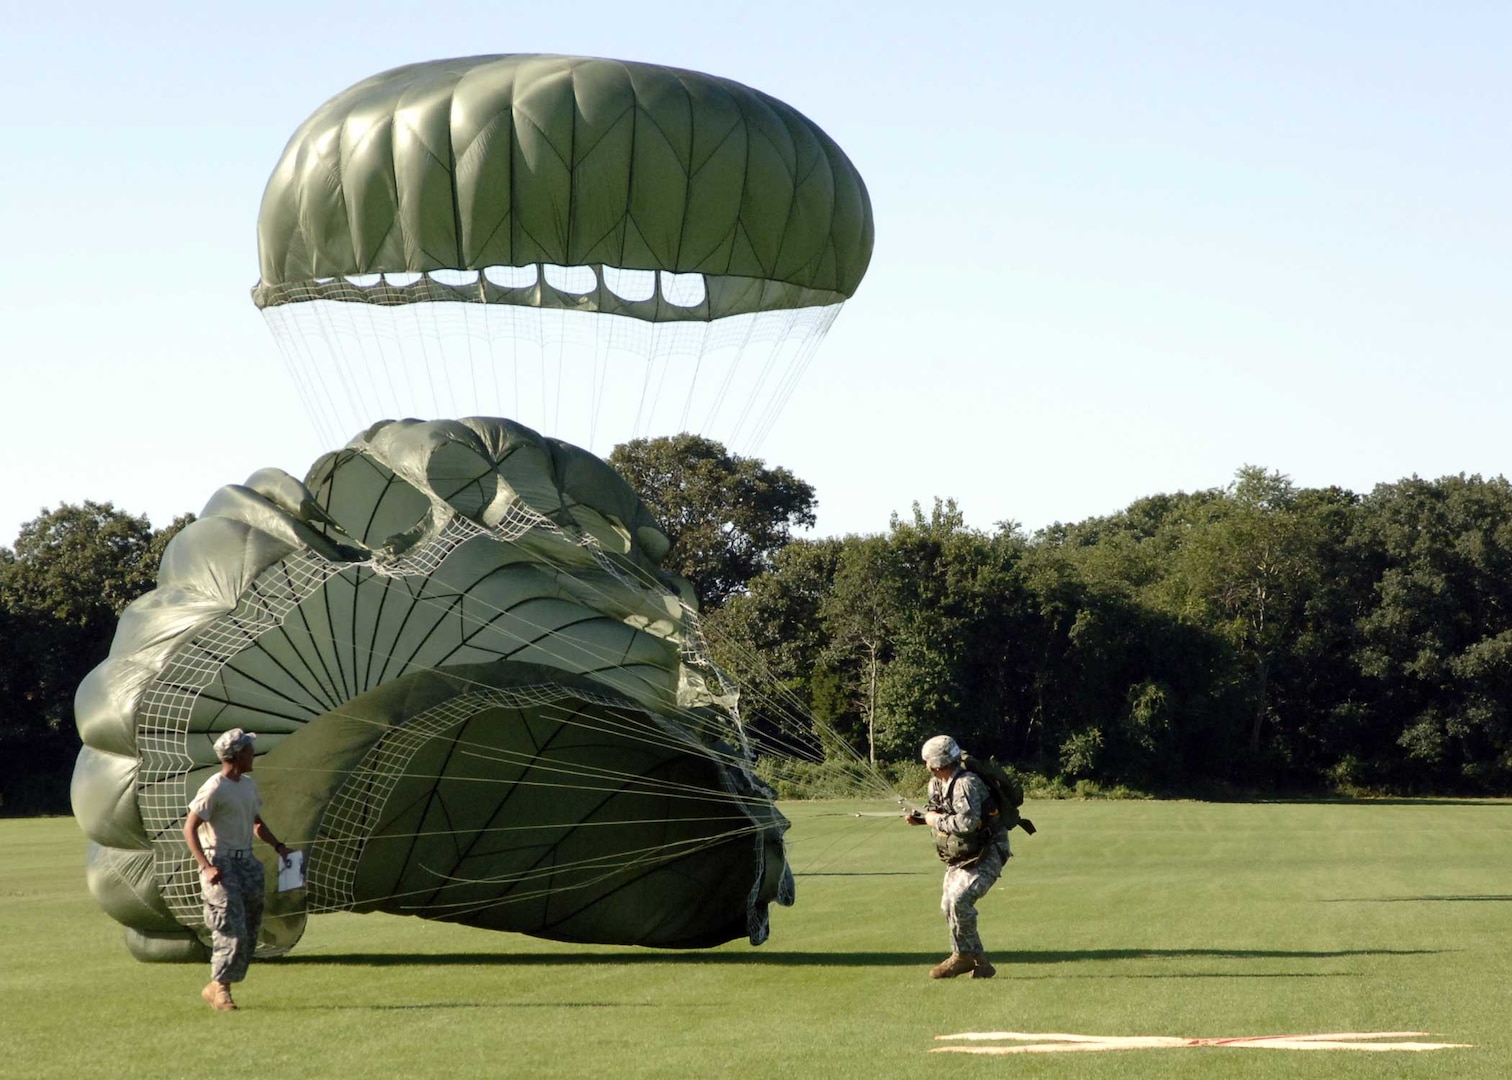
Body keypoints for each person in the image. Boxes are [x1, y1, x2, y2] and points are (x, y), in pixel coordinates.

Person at [183, 728, 292, 1011]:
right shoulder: (215, 787)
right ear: (238, 754)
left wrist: (279, 846)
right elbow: (190, 827)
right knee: (230, 928)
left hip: (247, 862)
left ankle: (220, 984)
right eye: (249, 750)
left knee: (251, 927)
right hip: (221, 862)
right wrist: (205, 867)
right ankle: (220, 989)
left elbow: (256, 823)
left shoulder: (247, 785)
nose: (253, 755)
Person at [905, 735, 1005, 979]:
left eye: (927, 760)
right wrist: (921, 819)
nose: (925, 765)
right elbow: (938, 812)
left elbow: (968, 822)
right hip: (961, 854)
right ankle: (979, 962)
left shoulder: (967, 784)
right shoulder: (935, 784)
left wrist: (934, 820)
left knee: (960, 900)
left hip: (988, 851)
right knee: (948, 905)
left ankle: (962, 957)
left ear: (935, 763)